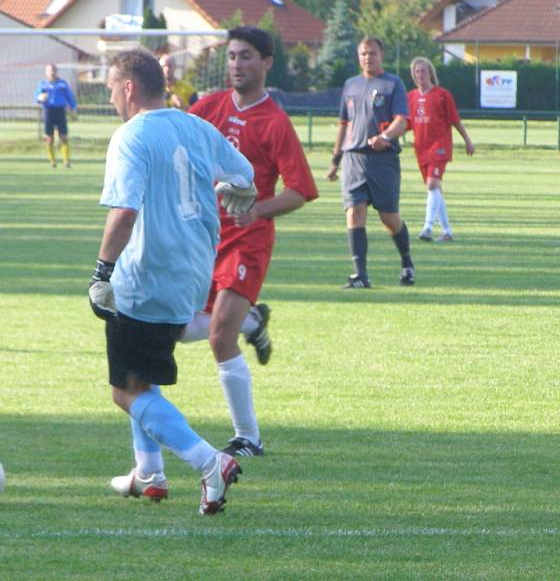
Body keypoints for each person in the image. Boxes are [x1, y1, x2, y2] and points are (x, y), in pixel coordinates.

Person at [88, 48, 257, 515]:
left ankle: (209, 462)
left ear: (128, 89)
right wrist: (231, 192)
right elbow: (246, 176)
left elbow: (125, 212)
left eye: (109, 91)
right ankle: (149, 473)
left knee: (125, 389)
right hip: (194, 270)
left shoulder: (131, 136)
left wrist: (101, 272)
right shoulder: (198, 126)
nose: (111, 101)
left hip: (147, 272)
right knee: (142, 373)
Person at [181, 26, 318, 458]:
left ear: (266, 63)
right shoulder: (209, 108)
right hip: (204, 238)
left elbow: (301, 189)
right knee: (177, 326)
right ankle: (253, 323)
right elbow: (178, 140)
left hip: (248, 242)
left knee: (220, 336)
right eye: (232, 56)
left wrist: (256, 209)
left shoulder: (275, 122)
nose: (236, 65)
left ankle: (249, 437)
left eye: (245, 57)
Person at [326, 37, 414, 289]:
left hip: (382, 160)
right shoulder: (350, 85)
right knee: (354, 213)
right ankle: (360, 275)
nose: (368, 58)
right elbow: (344, 125)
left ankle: (407, 262)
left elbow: (402, 121)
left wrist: (385, 137)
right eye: (364, 53)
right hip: (354, 159)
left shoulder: (392, 84)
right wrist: (335, 160)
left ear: (381, 55)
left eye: (372, 53)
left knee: (389, 218)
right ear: (358, 56)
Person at [407, 56, 475, 243]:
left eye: (423, 70)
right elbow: (403, 123)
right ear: (413, 75)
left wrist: (468, 140)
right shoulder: (410, 97)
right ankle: (447, 231)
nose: (420, 74)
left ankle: (427, 227)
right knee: (434, 189)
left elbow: (455, 120)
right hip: (421, 148)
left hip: (439, 146)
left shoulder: (442, 95)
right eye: (417, 71)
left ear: (430, 73)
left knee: (432, 185)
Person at [35, 64, 77, 168]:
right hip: (48, 111)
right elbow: (37, 97)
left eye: (53, 70)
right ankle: (52, 161)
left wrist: (73, 108)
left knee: (64, 137)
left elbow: (70, 97)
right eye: (49, 70)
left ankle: (66, 161)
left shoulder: (62, 84)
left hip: (60, 111)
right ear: (46, 72)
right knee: (49, 138)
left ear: (56, 71)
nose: (52, 72)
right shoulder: (43, 85)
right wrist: (40, 98)